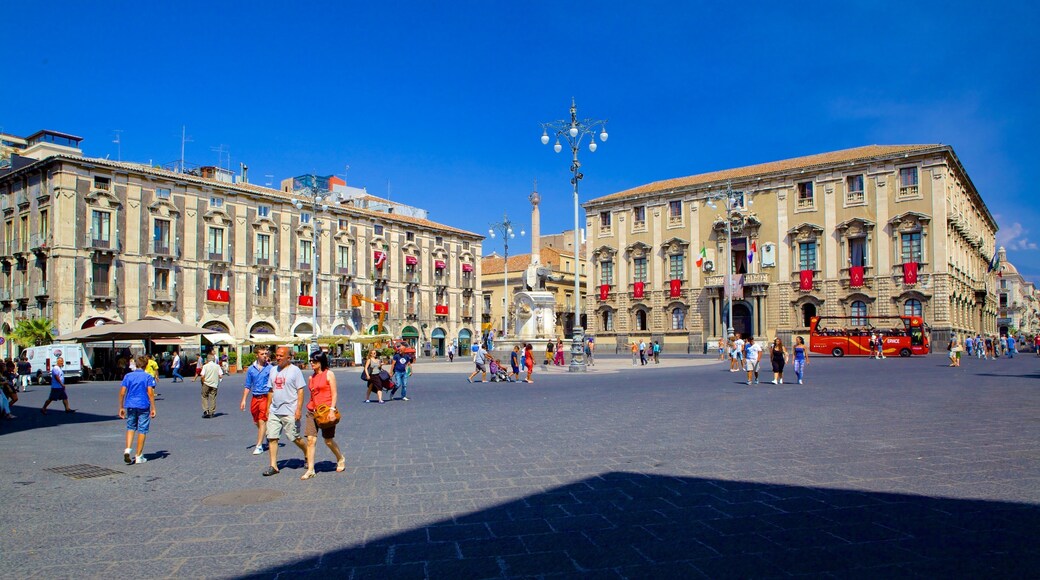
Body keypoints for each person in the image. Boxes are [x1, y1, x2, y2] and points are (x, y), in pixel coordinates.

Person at [263, 346, 308, 476]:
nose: (278, 358)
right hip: (275, 410)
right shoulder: (272, 370)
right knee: (272, 437)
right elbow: (270, 390)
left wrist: (298, 409)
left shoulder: (295, 371)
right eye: (277, 355)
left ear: (289, 357)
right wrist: (268, 408)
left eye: (281, 356)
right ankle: (273, 466)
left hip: (290, 410)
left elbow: (300, 390)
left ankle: (307, 452)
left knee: (294, 437)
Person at [301, 351, 346, 480]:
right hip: (312, 411)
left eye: (314, 361)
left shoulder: (329, 374)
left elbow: (334, 393)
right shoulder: (311, 377)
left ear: (321, 361)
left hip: (326, 411)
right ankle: (310, 469)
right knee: (310, 440)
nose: (311, 363)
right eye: (310, 361)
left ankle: (340, 458)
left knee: (328, 440)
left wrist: (332, 410)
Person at [119, 355, 157, 465]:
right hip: (143, 405)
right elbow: (150, 393)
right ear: (146, 365)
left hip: (130, 404)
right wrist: (153, 408)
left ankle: (127, 449)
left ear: (136, 364)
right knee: (142, 429)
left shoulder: (128, 376)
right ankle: (138, 455)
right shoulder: (148, 377)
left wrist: (121, 407)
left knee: (130, 427)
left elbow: (122, 392)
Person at [240, 347, 273, 454]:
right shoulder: (251, 369)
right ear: (257, 355)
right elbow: (248, 385)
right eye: (262, 354)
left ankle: (259, 445)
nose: (265, 355)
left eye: (266, 353)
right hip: (255, 397)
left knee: (261, 420)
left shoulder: (270, 368)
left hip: (265, 397)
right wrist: (244, 399)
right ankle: (268, 433)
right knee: (256, 421)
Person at [199, 354, 223, 418]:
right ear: (214, 359)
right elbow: (221, 375)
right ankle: (212, 412)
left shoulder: (205, 366)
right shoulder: (217, 366)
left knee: (204, 396)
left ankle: (206, 410)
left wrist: (203, 381)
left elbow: (202, 375)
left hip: (206, 383)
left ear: (207, 359)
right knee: (213, 397)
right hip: (214, 384)